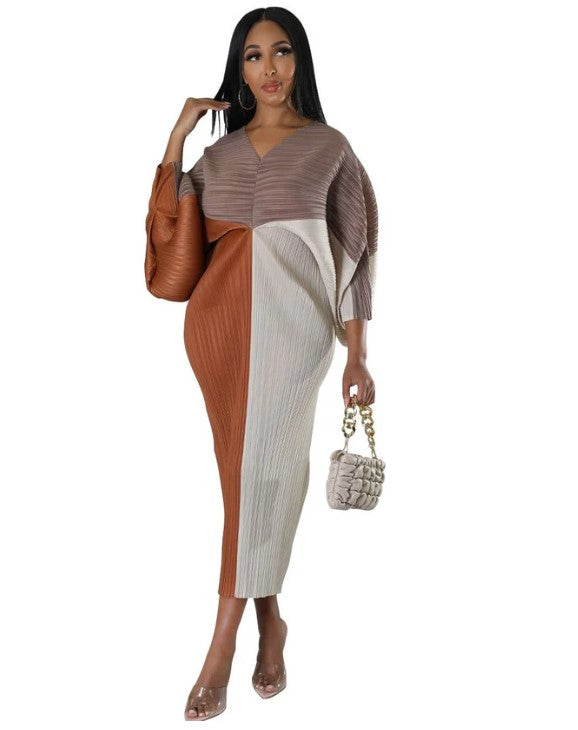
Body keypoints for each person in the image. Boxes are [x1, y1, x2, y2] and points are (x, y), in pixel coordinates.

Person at [144, 7, 379, 721]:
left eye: (281, 52)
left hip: (297, 337)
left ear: (300, 60)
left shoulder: (330, 148)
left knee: (266, 475)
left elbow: (356, 256)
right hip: (218, 332)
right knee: (245, 481)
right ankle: (270, 618)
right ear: (239, 70)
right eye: (252, 56)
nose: (269, 67)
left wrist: (358, 355)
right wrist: (178, 137)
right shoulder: (216, 158)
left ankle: (221, 646)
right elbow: (169, 248)